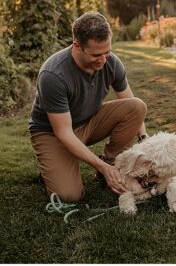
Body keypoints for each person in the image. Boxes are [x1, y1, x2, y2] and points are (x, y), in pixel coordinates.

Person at [29, 11, 148, 202]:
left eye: (106, 52)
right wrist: (99, 164)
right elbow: (64, 133)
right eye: (96, 54)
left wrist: (144, 139)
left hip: (89, 122)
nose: (103, 60)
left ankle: (111, 167)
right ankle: (54, 165)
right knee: (68, 195)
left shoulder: (111, 62)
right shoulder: (53, 75)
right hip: (53, 133)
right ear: (77, 46)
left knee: (137, 107)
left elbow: (132, 105)